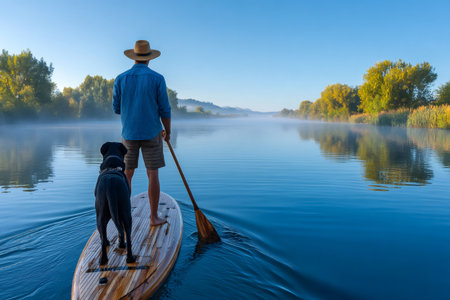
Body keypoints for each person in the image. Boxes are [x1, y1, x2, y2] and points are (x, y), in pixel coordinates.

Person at [112, 40, 171, 226]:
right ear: (149, 59)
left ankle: (124, 217)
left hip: (128, 133)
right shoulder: (157, 78)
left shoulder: (120, 78)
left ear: (134, 57)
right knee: (152, 174)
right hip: (152, 132)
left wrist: (132, 111)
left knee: (127, 174)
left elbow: (116, 108)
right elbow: (165, 110)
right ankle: (153, 218)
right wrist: (167, 132)